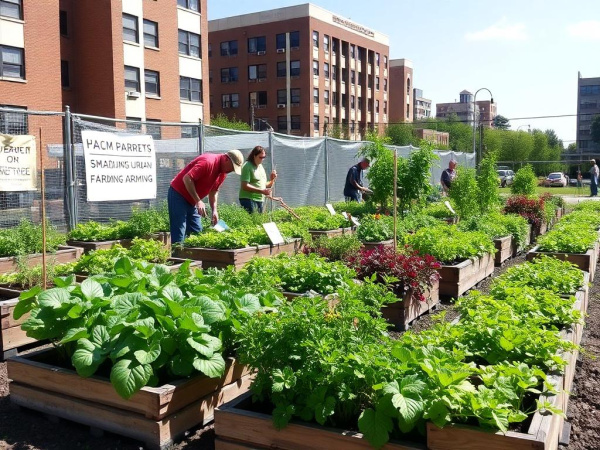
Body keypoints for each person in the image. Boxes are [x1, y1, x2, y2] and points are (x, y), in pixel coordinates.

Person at [168, 150, 243, 245]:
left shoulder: (223, 173)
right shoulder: (208, 162)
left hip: (192, 200)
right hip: (178, 194)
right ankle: (177, 258)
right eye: (232, 167)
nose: (231, 171)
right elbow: (187, 178)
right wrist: (198, 201)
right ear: (226, 159)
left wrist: (214, 210)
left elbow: (214, 191)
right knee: (179, 234)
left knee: (197, 232)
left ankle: (193, 259)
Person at [238, 146, 277, 213]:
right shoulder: (247, 166)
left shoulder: (260, 167)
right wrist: (261, 191)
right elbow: (244, 186)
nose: (262, 159)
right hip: (248, 199)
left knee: (258, 222)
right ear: (254, 156)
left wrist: (272, 179)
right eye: (260, 157)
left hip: (260, 200)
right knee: (254, 221)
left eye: (264, 157)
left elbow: (266, 185)